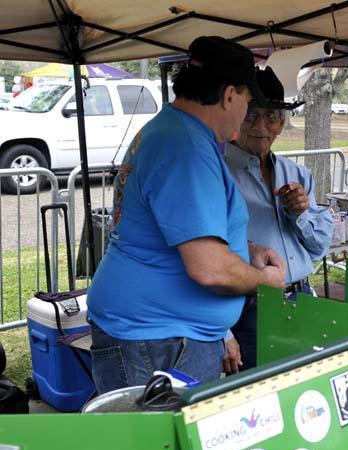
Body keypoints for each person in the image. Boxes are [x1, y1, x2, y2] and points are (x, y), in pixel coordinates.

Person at [86, 36, 287, 395]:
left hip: (155, 334)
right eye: (246, 100)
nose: (245, 111)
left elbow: (185, 230)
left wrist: (246, 248)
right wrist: (265, 280)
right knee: (153, 449)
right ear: (230, 95)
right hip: (157, 340)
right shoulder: (186, 147)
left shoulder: (173, 130)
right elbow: (208, 267)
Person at [221, 67, 333, 369]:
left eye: (271, 116)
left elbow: (319, 246)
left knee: (306, 392)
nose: (261, 126)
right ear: (236, 117)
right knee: (260, 403)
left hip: (301, 297)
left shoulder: (297, 174)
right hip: (251, 307)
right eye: (251, 115)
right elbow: (206, 253)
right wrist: (223, 332)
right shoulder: (218, 174)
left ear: (282, 124)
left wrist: (300, 213)